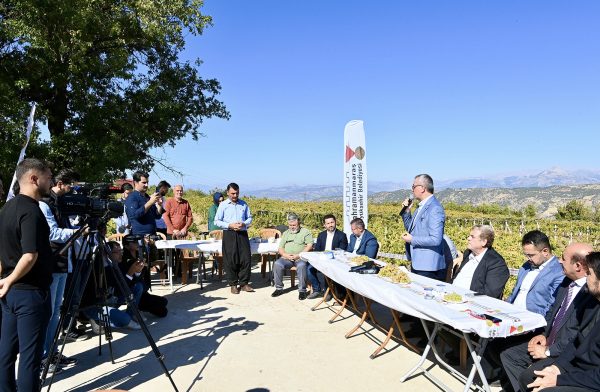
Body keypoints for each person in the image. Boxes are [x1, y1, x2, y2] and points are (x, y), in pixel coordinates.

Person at [501, 243, 596, 392]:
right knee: (508, 354)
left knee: (529, 376)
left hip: (562, 351)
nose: (558, 261)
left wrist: (548, 351)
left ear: (577, 266)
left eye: (563, 258)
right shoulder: (566, 282)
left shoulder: (590, 295)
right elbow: (553, 311)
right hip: (550, 343)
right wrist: (544, 334)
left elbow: (577, 335)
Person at [0, 158, 54, 392]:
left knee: (5, 355)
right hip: (30, 294)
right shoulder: (31, 211)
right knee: (30, 361)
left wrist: (4, 281)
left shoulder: (5, 209)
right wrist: (10, 279)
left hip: (9, 294)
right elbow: (29, 255)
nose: (51, 182)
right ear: (34, 178)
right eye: (48, 177)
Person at [38, 169, 81, 374]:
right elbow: (53, 234)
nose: (72, 189)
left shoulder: (60, 203)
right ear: (61, 183)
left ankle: (52, 351)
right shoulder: (45, 203)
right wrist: (79, 232)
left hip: (64, 262)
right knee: (49, 313)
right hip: (53, 263)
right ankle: (44, 356)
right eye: (70, 185)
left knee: (56, 312)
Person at [507, 230, 564, 316]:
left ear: (545, 251)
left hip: (532, 322)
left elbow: (552, 305)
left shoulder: (558, 272)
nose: (528, 258)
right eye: (526, 255)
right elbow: (515, 292)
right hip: (512, 315)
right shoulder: (526, 266)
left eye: (531, 255)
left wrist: (537, 323)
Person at [400, 174, 446, 281]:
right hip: (418, 263)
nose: (412, 190)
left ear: (422, 188)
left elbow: (436, 239)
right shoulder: (421, 207)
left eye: (413, 186)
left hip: (429, 268)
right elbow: (411, 228)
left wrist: (412, 239)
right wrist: (406, 211)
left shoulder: (435, 208)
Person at [214, 183, 254, 294]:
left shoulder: (244, 204)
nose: (235, 195)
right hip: (229, 234)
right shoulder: (223, 205)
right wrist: (229, 225)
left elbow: (250, 218)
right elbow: (217, 221)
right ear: (227, 193)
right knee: (231, 260)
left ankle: (244, 283)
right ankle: (233, 284)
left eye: (237, 193)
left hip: (242, 233)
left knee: (245, 259)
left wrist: (244, 223)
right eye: (232, 193)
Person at [452, 225, 509, 299]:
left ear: (484, 242)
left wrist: (463, 297)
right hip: (452, 296)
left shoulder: (496, 263)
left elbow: (489, 294)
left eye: (472, 237)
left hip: (470, 303)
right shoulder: (468, 253)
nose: (468, 238)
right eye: (469, 236)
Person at [121, 236, 168, 318]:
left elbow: (152, 260)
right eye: (133, 242)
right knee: (162, 307)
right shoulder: (124, 259)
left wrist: (151, 245)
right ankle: (136, 309)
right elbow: (131, 281)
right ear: (126, 246)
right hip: (133, 291)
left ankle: (139, 306)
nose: (136, 243)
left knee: (163, 305)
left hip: (143, 291)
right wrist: (138, 272)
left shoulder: (140, 254)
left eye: (136, 241)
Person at [271, 213, 313, 300]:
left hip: (300, 257)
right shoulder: (286, 233)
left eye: (294, 225)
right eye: (290, 225)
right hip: (287, 258)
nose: (292, 227)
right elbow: (280, 248)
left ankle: (302, 291)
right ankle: (279, 288)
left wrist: (299, 255)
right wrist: (285, 255)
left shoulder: (305, 232)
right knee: (277, 264)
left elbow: (310, 245)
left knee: (302, 266)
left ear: (299, 223)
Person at [307, 214, 348, 299]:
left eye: (332, 222)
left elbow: (341, 251)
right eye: (328, 223)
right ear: (324, 225)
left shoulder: (341, 235)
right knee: (309, 268)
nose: (330, 225)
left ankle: (327, 292)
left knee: (326, 269)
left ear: (335, 222)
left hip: (334, 260)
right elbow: (317, 250)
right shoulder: (321, 235)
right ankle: (317, 289)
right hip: (321, 259)